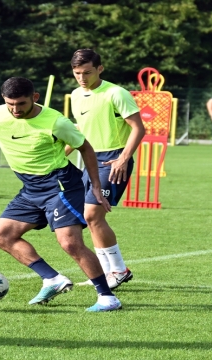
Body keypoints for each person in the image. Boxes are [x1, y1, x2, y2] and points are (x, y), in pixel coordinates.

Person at [0, 77, 122, 312]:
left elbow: (86, 148)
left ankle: (107, 297)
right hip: (31, 188)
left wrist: (94, 185)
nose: (15, 110)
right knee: (1, 236)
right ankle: (53, 279)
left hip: (60, 185)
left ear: (34, 98)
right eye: (10, 104)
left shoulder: (56, 122)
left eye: (21, 104)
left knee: (70, 243)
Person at [68, 49, 144, 290]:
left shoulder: (116, 93)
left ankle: (119, 270)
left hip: (113, 159)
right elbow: (80, 129)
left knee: (92, 215)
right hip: (90, 159)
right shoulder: (75, 95)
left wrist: (123, 158)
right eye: (77, 73)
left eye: (87, 72)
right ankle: (106, 273)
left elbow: (138, 128)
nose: (82, 77)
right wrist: (61, 153)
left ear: (100, 69)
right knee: (89, 218)